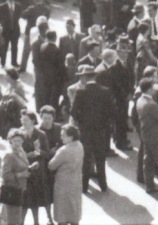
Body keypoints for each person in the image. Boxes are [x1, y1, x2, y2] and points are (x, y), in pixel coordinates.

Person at [69, 64, 111, 193]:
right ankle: (103, 185)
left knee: (86, 159)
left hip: (85, 131)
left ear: (85, 78)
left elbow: (73, 111)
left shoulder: (80, 92)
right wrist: (103, 123)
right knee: (100, 158)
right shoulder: (105, 91)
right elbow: (111, 112)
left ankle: (84, 186)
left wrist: (82, 121)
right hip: (100, 131)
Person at [47, 124, 84, 225]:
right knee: (74, 208)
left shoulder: (64, 150)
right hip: (76, 181)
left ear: (71, 137)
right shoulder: (80, 145)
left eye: (63, 135)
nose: (61, 137)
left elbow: (51, 166)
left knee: (62, 211)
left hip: (63, 183)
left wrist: (51, 154)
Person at [0, 129, 30, 225]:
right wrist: (21, 175)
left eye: (20, 141)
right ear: (10, 140)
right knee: (12, 219)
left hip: (20, 188)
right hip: (11, 191)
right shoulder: (9, 155)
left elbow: (22, 165)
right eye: (15, 140)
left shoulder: (21, 150)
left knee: (15, 218)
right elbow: (5, 175)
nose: (18, 143)